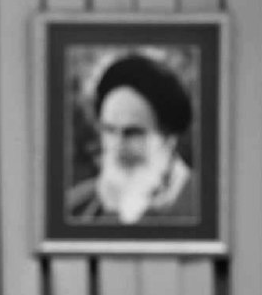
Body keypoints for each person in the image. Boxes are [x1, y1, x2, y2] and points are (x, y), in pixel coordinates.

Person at [67, 53, 197, 224]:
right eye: (109, 130)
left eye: (132, 133)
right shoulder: (76, 207)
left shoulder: (205, 205)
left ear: (168, 140)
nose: (117, 146)